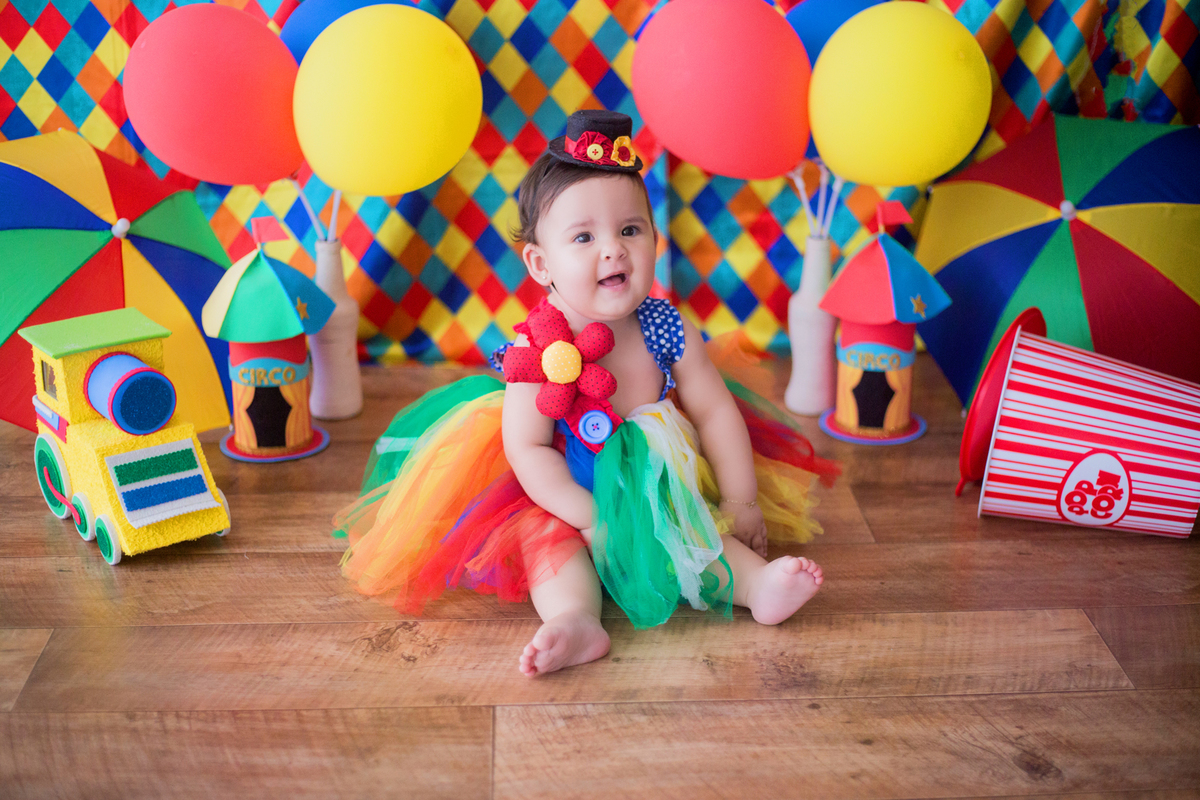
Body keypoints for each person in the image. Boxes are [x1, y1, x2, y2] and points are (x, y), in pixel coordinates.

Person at [334, 110, 838, 677]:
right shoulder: (536, 346)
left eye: (630, 229)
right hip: (559, 491)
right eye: (584, 236)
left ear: (653, 238)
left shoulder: (664, 327)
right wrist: (589, 515)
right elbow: (528, 450)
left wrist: (742, 500)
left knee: (688, 525)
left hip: (651, 483)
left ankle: (755, 586)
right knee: (543, 541)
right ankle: (575, 620)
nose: (613, 250)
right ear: (540, 264)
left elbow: (716, 411)